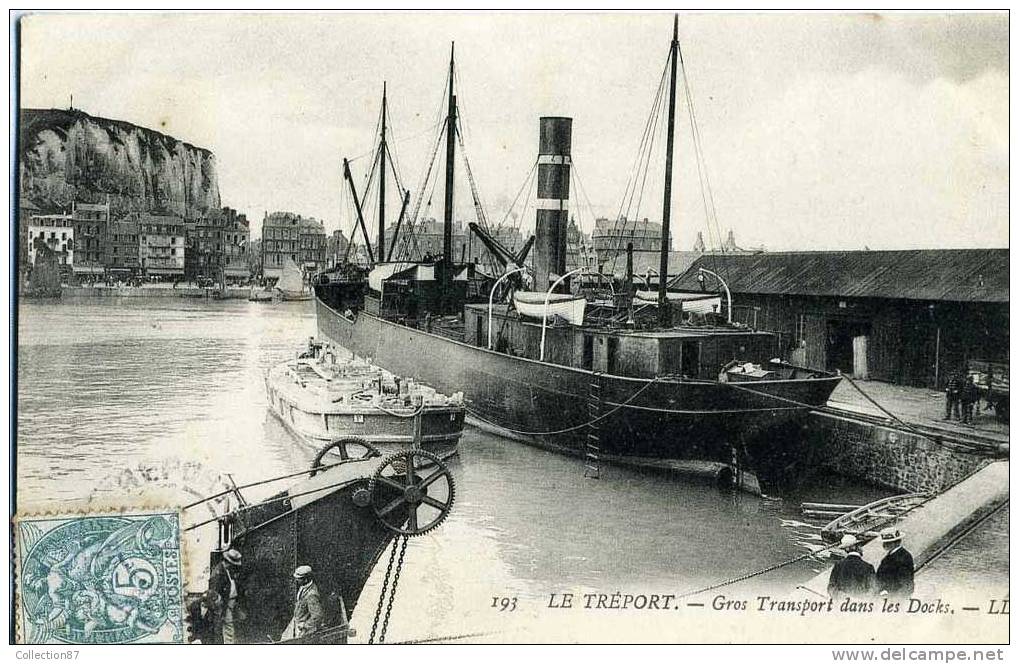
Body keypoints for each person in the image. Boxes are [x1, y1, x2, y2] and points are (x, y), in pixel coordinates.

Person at [207, 548, 244, 644]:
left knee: (232, 624)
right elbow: (213, 593)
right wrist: (218, 608)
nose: (234, 567)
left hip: (231, 601)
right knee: (227, 626)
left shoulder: (228, 570)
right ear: (228, 562)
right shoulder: (218, 572)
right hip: (222, 603)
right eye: (233, 564)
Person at [827, 534, 876, 600]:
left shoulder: (838, 565)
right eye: (860, 546)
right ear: (857, 547)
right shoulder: (868, 567)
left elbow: (831, 588)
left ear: (845, 550)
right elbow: (873, 590)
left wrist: (842, 596)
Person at [876, 528, 914, 598]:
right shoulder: (892, 555)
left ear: (897, 542)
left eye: (888, 542)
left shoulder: (903, 557)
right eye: (884, 542)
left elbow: (905, 583)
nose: (884, 545)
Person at [291, 565, 325, 639]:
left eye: (299, 579)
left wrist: (305, 626)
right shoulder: (304, 587)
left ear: (306, 579)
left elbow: (317, 615)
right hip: (298, 624)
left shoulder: (311, 595)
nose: (296, 580)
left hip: (305, 630)